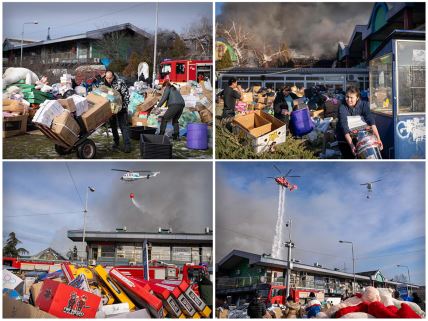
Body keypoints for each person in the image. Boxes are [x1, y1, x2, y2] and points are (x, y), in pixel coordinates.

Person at [336, 86, 383, 159]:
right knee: (349, 158)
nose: (349, 100)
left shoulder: (364, 104)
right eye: (347, 97)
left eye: (352, 97)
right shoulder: (342, 107)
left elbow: (371, 121)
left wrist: (378, 139)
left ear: (357, 98)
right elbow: (344, 126)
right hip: (344, 137)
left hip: (359, 137)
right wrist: (351, 146)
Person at [101, 70, 131, 153]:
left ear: (113, 76)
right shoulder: (103, 84)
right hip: (110, 109)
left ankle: (127, 145)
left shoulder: (120, 83)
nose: (108, 79)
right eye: (107, 78)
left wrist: (123, 106)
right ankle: (116, 142)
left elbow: (126, 95)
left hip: (121, 108)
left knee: (123, 126)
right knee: (113, 126)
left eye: (110, 78)